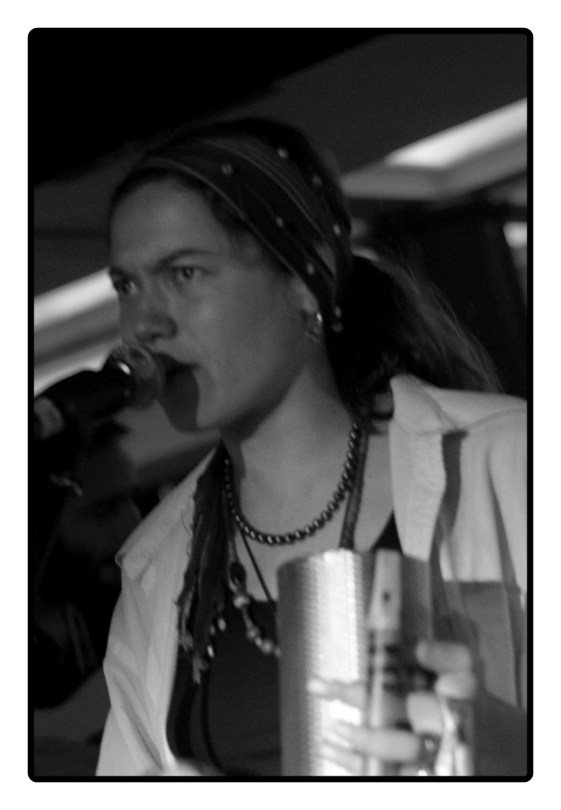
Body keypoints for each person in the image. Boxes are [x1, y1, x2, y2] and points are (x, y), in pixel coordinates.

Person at [96, 118, 527, 777]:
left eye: (183, 273)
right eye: (126, 286)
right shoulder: (156, 566)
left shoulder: (510, 460)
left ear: (306, 280)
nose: (143, 325)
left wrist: (502, 746)